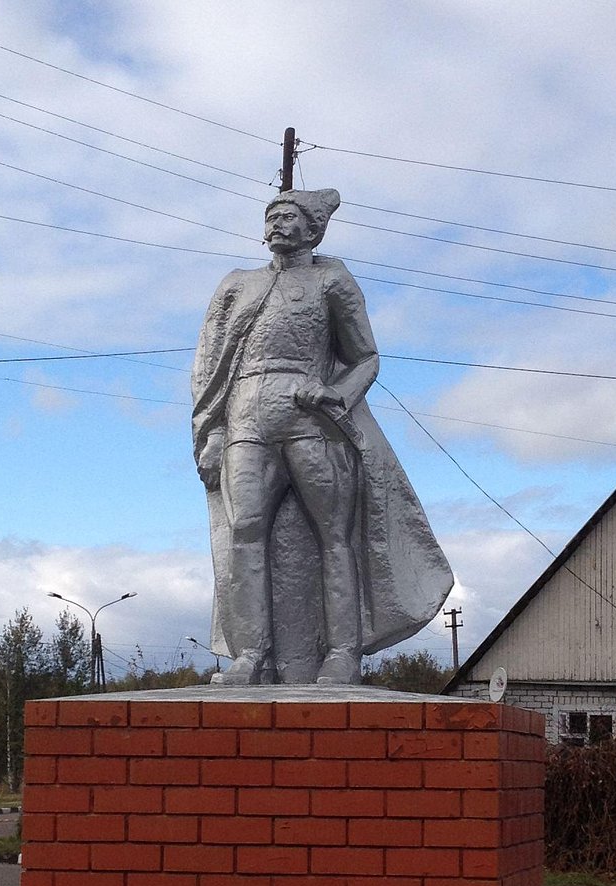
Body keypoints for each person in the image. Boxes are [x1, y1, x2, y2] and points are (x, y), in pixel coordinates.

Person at [192, 187, 453, 685]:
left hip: (311, 421)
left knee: (335, 536)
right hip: (246, 416)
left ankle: (342, 653)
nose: (277, 224)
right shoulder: (236, 284)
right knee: (245, 533)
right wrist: (211, 431)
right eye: (271, 216)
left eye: (289, 216)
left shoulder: (331, 280)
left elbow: (366, 357)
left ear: (313, 229)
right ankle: (251, 656)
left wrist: (334, 393)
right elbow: (211, 366)